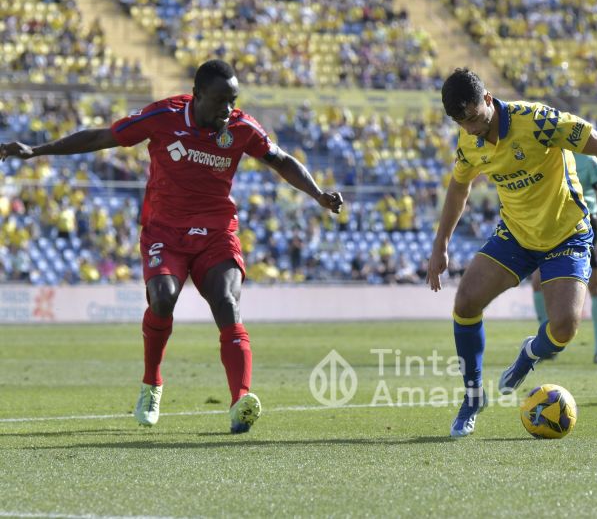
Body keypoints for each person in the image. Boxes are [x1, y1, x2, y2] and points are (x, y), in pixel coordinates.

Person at [0, 60, 343, 433]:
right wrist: (36, 151)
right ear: (197, 96)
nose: (227, 109)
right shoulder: (163, 116)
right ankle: (152, 384)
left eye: (233, 100)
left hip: (215, 232)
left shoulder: (242, 128)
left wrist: (318, 195)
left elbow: (282, 161)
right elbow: (101, 137)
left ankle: (240, 400)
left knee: (228, 302)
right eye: (220, 100)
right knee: (162, 298)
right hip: (165, 231)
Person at [426, 68, 597, 438]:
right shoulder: (469, 143)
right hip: (516, 235)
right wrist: (440, 244)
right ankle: (473, 396)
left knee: (564, 327)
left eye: (476, 119)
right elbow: (458, 188)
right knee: (465, 302)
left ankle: (529, 354)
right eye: (464, 124)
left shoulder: (538, 122)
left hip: (567, 236)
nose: (473, 129)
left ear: (489, 101)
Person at [531, 153, 597, 365]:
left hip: (585, 225)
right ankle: (547, 346)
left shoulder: (589, 160)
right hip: (554, 225)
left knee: (595, 286)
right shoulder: (548, 154)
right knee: (537, 281)